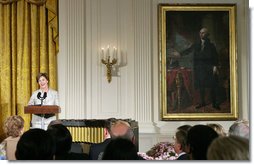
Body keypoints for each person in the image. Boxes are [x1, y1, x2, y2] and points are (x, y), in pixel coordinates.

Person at [193, 27, 220, 110]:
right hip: (200, 69)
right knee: (201, 86)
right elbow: (190, 51)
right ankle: (202, 102)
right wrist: (179, 54)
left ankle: (215, 104)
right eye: (200, 32)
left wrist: (215, 66)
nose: (201, 34)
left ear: (207, 35)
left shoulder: (211, 45)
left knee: (213, 86)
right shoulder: (197, 44)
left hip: (209, 68)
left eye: (203, 33)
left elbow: (215, 57)